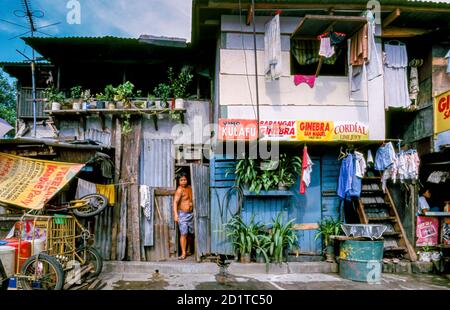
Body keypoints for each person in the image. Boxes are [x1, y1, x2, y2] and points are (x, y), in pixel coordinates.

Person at [173, 172, 194, 260]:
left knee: (190, 233)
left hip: (191, 214)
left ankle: (189, 250)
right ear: (179, 181)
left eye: (185, 180)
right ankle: (183, 253)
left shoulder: (189, 188)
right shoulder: (179, 190)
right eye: (181, 180)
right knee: (183, 234)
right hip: (183, 215)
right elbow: (175, 202)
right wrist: (175, 215)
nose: (183, 182)